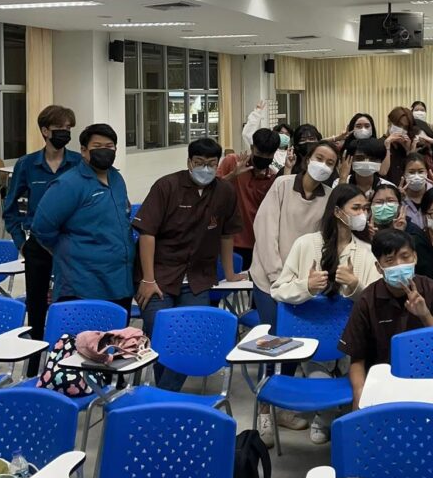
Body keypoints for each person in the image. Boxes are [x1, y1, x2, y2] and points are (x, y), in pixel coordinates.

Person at [132, 137, 244, 391]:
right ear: (189, 162)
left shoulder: (225, 192)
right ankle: (167, 395)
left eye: (211, 164)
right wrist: (147, 279)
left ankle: (163, 395)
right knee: (160, 330)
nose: (205, 169)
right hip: (159, 275)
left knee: (189, 334)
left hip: (197, 278)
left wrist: (229, 273)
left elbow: (227, 234)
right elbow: (147, 233)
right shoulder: (167, 186)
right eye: (199, 162)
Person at [270, 183, 377, 443]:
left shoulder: (365, 251)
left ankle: (332, 417)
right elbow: (278, 290)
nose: (362, 214)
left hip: (354, 344)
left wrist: (355, 287)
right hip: (314, 339)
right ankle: (324, 416)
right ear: (338, 212)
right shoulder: (306, 245)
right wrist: (306, 286)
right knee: (319, 381)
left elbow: (376, 301)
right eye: (356, 208)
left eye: (365, 208)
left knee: (355, 392)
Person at [249, 140, 339, 443]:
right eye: (319, 158)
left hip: (302, 285)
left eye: (330, 162)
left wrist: (301, 283)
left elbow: (324, 240)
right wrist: (278, 277)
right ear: (307, 158)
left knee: (294, 345)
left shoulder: (329, 197)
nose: (323, 165)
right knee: (272, 344)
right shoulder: (282, 185)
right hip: (269, 279)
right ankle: (264, 410)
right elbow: (265, 232)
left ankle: (283, 407)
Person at [3, 104, 81, 376]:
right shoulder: (27, 164)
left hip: (71, 244)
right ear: (45, 131)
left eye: (68, 129)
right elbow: (10, 208)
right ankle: (34, 367)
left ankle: (69, 363)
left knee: (70, 302)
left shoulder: (78, 163)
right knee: (36, 305)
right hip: (38, 244)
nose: (65, 133)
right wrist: (21, 243)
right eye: (59, 128)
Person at [342, 229, 433, 406]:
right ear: (379, 267)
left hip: (428, 378)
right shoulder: (367, 299)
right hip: (382, 383)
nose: (399, 265)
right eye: (390, 260)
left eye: (405, 257)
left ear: (415, 257)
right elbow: (357, 359)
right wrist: (360, 394)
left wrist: (425, 315)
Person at [31, 123, 133, 307]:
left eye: (109, 146)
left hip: (119, 282)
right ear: (84, 151)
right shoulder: (68, 184)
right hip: (82, 284)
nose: (104, 151)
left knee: (118, 326)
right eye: (97, 146)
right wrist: (68, 250)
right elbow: (42, 228)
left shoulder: (116, 179)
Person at [222, 129, 282, 267]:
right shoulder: (232, 162)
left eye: (269, 155)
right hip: (229, 240)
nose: (264, 158)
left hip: (257, 242)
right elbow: (210, 189)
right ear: (252, 148)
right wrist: (233, 175)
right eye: (260, 153)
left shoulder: (272, 178)